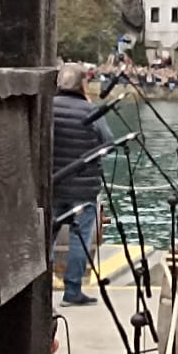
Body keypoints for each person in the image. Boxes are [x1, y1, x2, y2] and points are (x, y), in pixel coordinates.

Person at [51, 65, 112, 307]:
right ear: (82, 85)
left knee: (47, 236)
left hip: (53, 183)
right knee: (80, 238)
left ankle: (41, 287)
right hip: (83, 188)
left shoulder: (48, 109)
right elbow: (108, 142)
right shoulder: (90, 111)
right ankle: (72, 290)